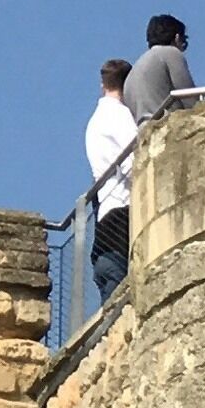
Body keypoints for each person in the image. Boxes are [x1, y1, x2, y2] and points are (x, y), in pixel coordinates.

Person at [83, 58, 137, 298]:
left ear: (102, 84)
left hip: (104, 212)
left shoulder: (94, 122)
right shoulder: (120, 115)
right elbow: (136, 159)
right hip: (121, 210)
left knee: (107, 280)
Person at [125, 15, 195, 126]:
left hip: (144, 134)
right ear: (177, 38)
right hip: (167, 127)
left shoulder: (133, 72)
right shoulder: (170, 53)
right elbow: (190, 98)